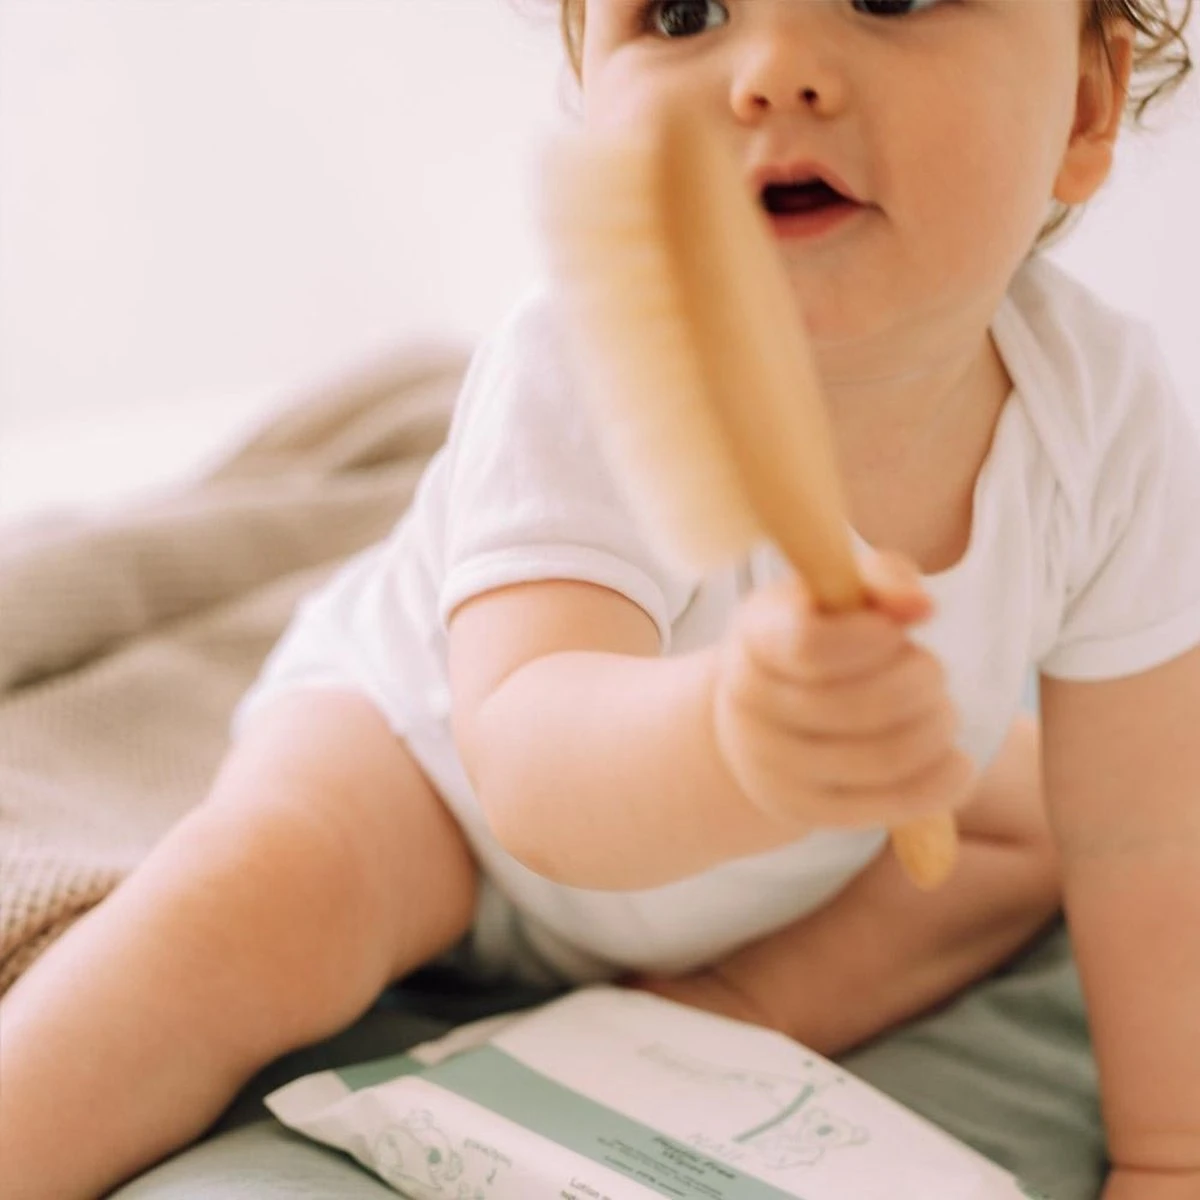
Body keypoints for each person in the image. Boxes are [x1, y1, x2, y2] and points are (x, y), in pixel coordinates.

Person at [2, 1, 1197, 1197]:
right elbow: (527, 760)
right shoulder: (581, 359)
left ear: (1086, 105)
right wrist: (735, 735)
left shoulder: (1105, 422)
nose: (774, 73)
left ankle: (715, 1012)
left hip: (780, 854)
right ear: (589, 90)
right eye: (684, 13)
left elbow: (1146, 832)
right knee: (251, 910)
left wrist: (1167, 1155)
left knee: (1046, 819)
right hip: (434, 780)